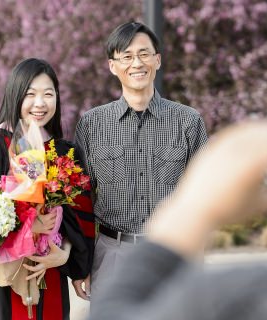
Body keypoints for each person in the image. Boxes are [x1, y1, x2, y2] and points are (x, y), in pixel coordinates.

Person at [89, 111, 267, 320]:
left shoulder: (238, 297)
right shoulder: (93, 122)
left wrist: (194, 207)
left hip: (154, 258)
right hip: (112, 247)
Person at [74, 21, 208, 301]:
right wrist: (80, 263)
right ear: (113, 65)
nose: (137, 63)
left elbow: (203, 196)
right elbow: (80, 200)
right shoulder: (91, 124)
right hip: (111, 253)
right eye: (127, 56)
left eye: (144, 54)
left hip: (172, 250)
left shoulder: (188, 121)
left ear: (157, 60)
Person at [0, 58, 94, 320]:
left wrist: (65, 254)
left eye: (48, 94)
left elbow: (80, 219)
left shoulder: (64, 153)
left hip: (50, 274)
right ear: (15, 96)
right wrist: (27, 226)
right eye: (30, 94)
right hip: (2, 284)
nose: (40, 103)